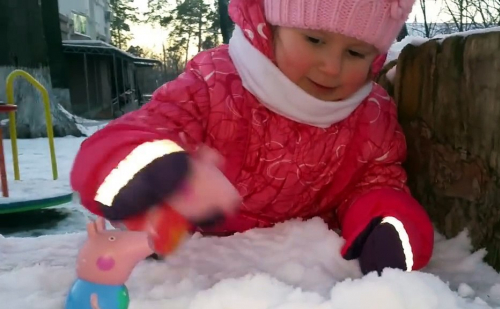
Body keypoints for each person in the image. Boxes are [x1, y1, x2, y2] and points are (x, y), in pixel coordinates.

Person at [69, 0, 434, 275]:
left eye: (355, 52)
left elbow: (377, 181)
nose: (331, 66)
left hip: (297, 276)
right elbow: (147, 129)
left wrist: (387, 226)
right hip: (193, 263)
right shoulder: (215, 84)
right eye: (314, 39)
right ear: (271, 27)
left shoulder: (370, 115)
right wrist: (150, 168)